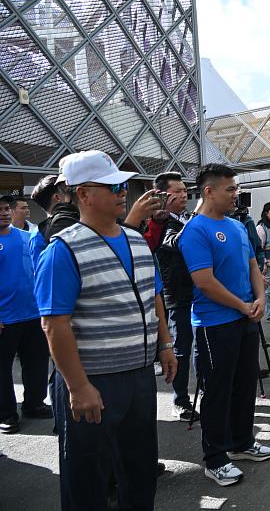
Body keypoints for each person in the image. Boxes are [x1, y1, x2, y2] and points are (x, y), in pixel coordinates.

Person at [33, 150, 177, 510]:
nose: (122, 191)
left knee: (139, 468)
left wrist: (165, 343)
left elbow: (153, 294)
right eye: (112, 185)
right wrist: (78, 386)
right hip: (93, 379)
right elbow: (54, 323)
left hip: (139, 377)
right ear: (83, 194)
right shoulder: (63, 250)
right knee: (87, 476)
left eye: (123, 184)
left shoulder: (136, 240)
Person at [178, 163, 270, 486]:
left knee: (246, 383)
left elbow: (252, 266)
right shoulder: (195, 230)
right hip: (215, 324)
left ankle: (242, 442)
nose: (236, 194)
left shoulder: (235, 227)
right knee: (218, 391)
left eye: (236, 188)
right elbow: (204, 281)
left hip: (246, 318)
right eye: (230, 189)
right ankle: (215, 457)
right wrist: (244, 305)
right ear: (209, 191)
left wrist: (259, 298)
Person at [143, 172, 197, 421]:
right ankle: (180, 401)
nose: (184, 194)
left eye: (185, 190)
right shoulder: (157, 223)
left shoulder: (186, 219)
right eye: (178, 191)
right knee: (181, 348)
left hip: (199, 292)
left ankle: (204, 390)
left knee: (201, 348)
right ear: (162, 195)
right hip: (176, 294)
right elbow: (157, 246)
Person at [0, 196, 51, 435]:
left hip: (32, 313)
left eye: (6, 208)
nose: (4, 213)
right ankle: (6, 414)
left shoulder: (26, 237)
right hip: (5, 319)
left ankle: (34, 404)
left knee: (37, 363)